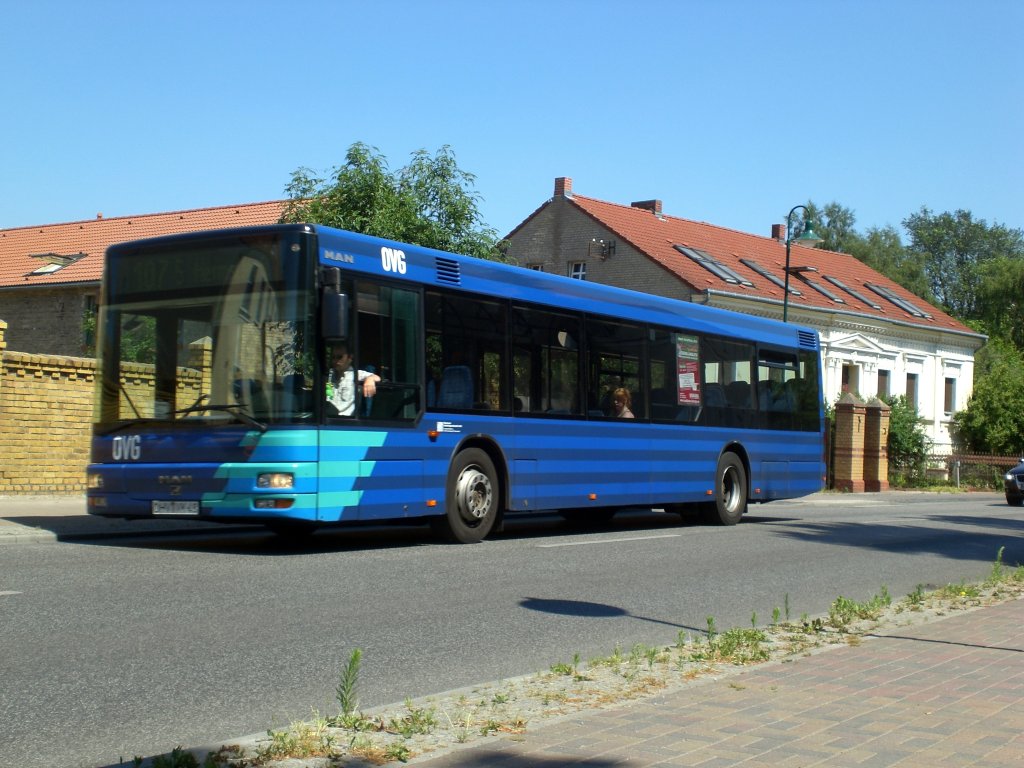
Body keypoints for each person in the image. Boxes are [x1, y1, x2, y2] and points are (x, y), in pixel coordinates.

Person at [326, 344, 380, 416]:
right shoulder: (329, 375)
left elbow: (376, 377)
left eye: (339, 357)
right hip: (327, 419)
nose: (336, 360)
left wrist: (369, 379)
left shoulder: (356, 374)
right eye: (333, 357)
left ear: (350, 358)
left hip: (345, 422)